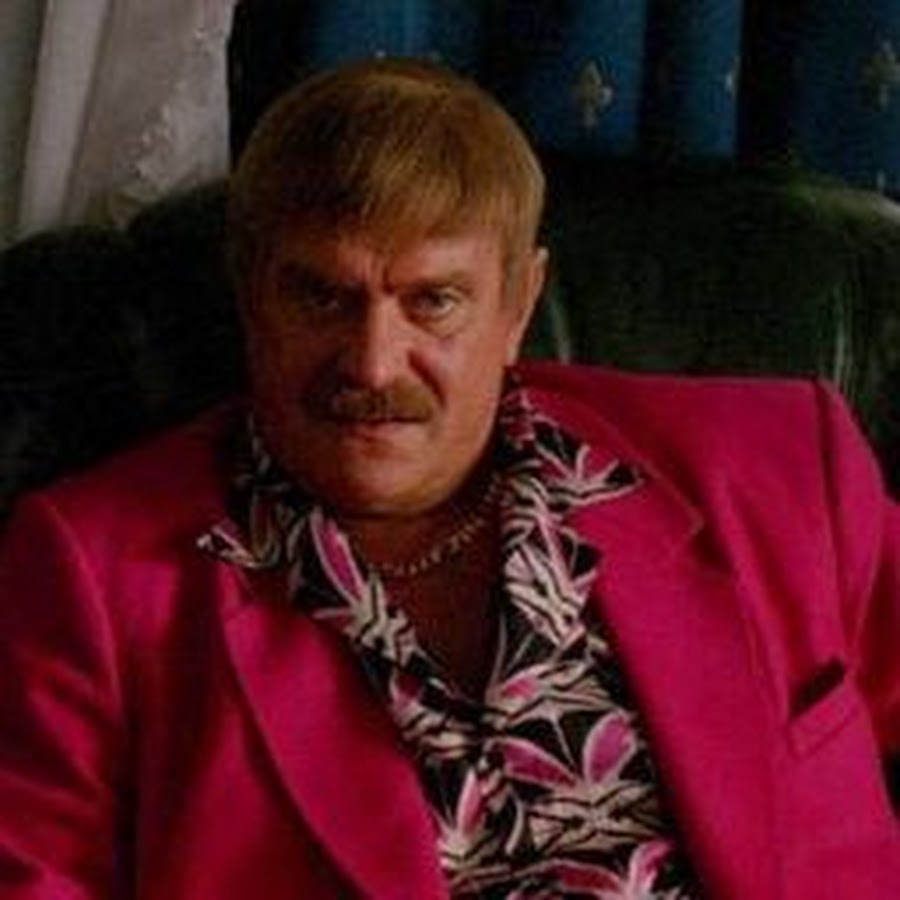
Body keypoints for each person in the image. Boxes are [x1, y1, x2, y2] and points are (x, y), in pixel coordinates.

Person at [0, 57, 897, 900]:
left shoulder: (778, 472)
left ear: (517, 305)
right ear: (249, 298)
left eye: (433, 300)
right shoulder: (93, 576)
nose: (372, 362)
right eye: (321, 297)